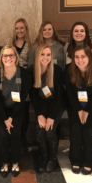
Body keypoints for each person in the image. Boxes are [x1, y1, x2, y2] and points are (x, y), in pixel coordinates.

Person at [64, 45, 92, 175]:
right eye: (76, 57)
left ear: (89, 57)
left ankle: (89, 161)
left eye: (83, 56)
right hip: (74, 106)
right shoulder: (68, 69)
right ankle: (75, 159)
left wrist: (86, 110)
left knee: (88, 133)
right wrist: (78, 109)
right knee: (75, 132)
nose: (79, 60)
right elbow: (69, 92)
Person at [0, 45, 32, 177]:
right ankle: (4, 162)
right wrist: (5, 119)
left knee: (15, 133)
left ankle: (15, 162)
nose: (8, 58)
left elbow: (22, 98)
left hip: (17, 110)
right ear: (1, 58)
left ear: (16, 57)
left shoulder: (24, 74)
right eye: (5, 56)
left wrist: (12, 118)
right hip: (1, 112)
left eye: (11, 55)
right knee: (2, 135)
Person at [29, 44, 64, 173]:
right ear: (37, 56)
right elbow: (33, 96)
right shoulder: (32, 71)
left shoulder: (57, 70)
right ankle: (43, 157)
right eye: (42, 54)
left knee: (50, 131)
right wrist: (39, 114)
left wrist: (52, 117)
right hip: (41, 106)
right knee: (39, 131)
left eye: (48, 54)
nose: (45, 57)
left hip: (57, 106)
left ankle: (52, 159)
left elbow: (60, 97)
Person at [4, 18, 31, 151]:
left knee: (24, 110)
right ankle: (10, 139)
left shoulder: (31, 44)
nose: (19, 31)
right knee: (12, 107)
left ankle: (22, 140)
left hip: (24, 79)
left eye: (22, 28)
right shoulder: (9, 43)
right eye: (17, 28)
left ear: (26, 29)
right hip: (11, 79)